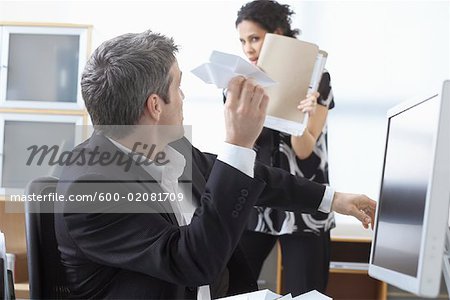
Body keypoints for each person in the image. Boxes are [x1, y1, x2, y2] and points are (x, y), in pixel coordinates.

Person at [54, 29, 375, 299]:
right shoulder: (91, 187)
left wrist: (332, 199)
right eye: (177, 86)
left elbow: (251, 176)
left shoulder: (166, 148)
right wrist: (238, 142)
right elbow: (191, 263)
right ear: (155, 105)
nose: (183, 97)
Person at [234, 0, 336, 295]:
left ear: (278, 33)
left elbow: (304, 152)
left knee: (306, 294)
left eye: (254, 38)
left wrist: (299, 117)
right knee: (230, 287)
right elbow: (242, 146)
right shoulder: (242, 83)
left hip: (306, 203)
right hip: (257, 200)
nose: (248, 49)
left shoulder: (318, 79)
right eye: (242, 41)